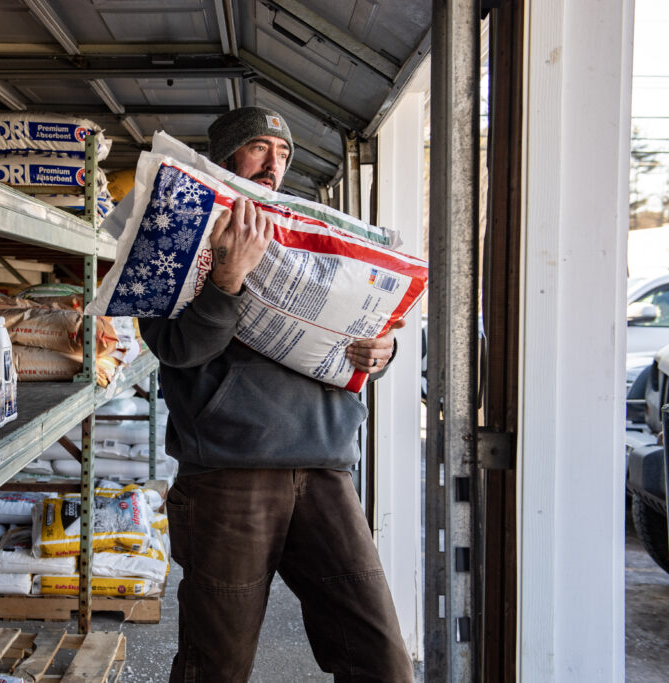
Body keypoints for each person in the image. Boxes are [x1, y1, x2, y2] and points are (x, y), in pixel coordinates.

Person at [140, 106, 413, 682]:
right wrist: (226, 280)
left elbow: (359, 338)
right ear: (225, 156)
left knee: (382, 661)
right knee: (217, 666)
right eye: (259, 147)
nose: (274, 163)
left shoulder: (310, 237)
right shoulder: (171, 230)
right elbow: (177, 350)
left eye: (283, 153)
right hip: (228, 474)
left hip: (326, 470)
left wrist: (380, 353)